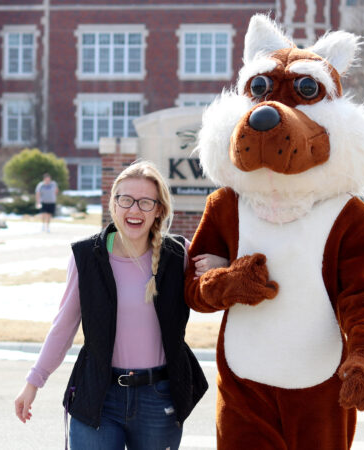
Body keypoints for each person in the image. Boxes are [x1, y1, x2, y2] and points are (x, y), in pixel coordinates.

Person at [15, 160, 228, 450]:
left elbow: (218, 285)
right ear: (113, 204)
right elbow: (63, 327)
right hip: (99, 397)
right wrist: (33, 382)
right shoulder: (86, 257)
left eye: (145, 202)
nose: (134, 210)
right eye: (125, 200)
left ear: (159, 210)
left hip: (159, 398)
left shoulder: (179, 255)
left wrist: (221, 266)